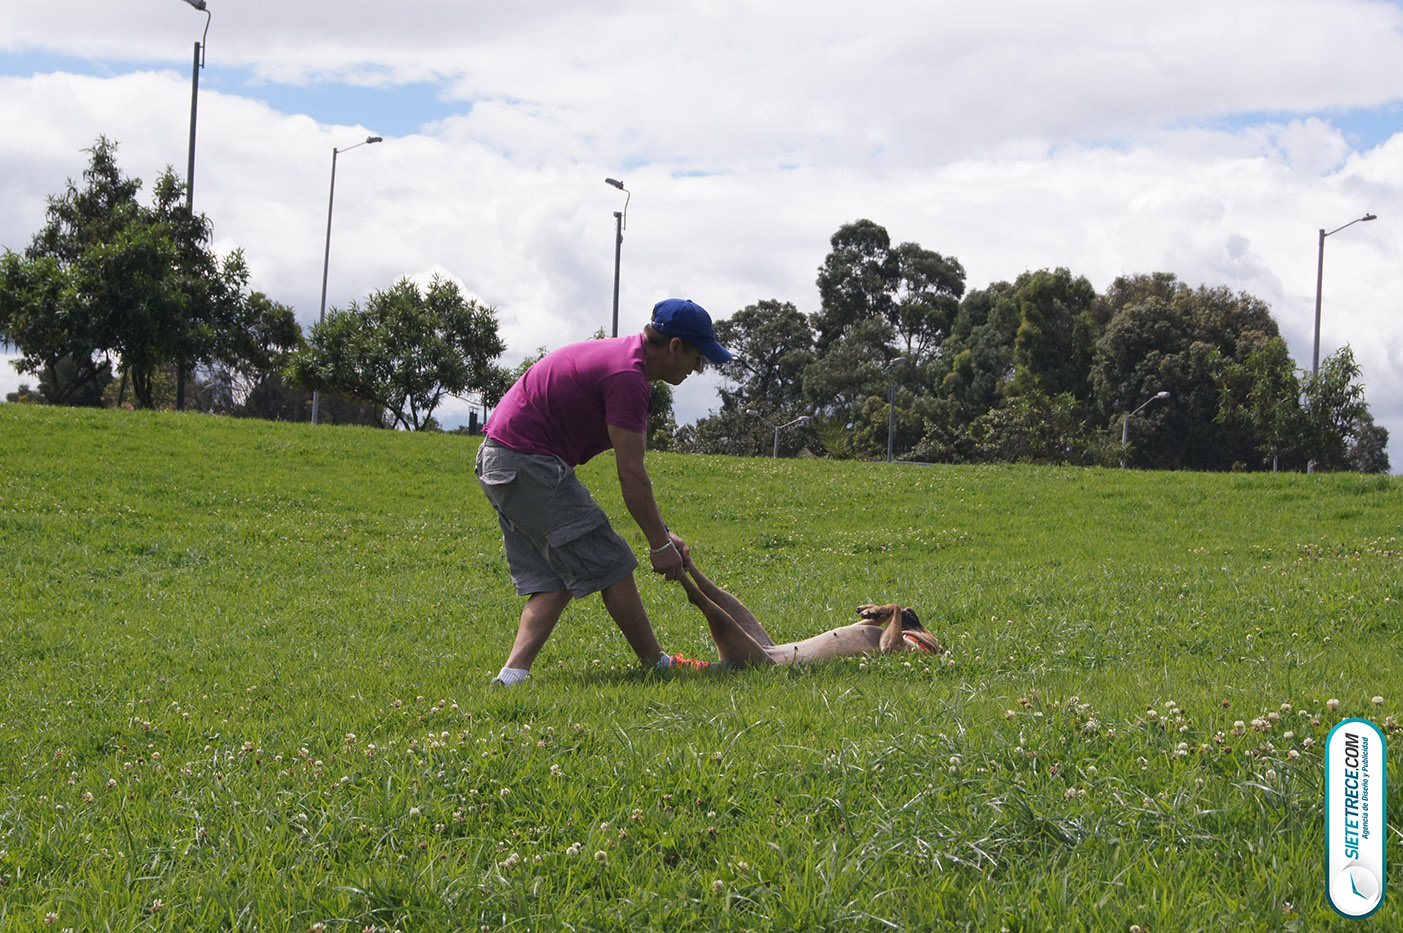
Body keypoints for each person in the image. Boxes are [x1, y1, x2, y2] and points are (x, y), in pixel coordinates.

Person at [476, 298, 733, 686]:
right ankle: (656, 665)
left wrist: (662, 535)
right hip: (526, 461)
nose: (697, 369)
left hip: (502, 460)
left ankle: (511, 677)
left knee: (554, 577)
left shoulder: (623, 361)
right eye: (697, 358)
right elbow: (631, 472)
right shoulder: (628, 377)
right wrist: (659, 545)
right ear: (675, 346)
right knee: (613, 562)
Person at [671, 551, 943, 667]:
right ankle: (688, 565)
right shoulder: (896, 636)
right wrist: (882, 616)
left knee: (711, 608)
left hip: (772, 663)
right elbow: (865, 634)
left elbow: (887, 649)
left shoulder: (916, 651)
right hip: (779, 651)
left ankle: (681, 575)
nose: (910, 615)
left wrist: (893, 611)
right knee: (738, 611)